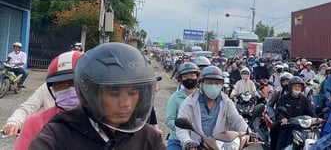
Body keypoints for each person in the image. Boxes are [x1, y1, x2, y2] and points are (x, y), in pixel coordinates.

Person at [29, 42, 164, 149]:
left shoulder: (148, 138)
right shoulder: (58, 135)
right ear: (92, 94)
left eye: (133, 92)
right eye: (114, 93)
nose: (126, 103)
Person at [15, 51, 83, 150]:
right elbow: (28, 106)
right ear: (52, 89)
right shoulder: (37, 123)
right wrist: (14, 122)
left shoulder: (107, 121)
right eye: (61, 85)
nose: (70, 90)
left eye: (75, 84)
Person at [176, 65, 248, 150]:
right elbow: (181, 129)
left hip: (220, 146)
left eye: (217, 83)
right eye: (209, 82)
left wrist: (249, 131)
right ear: (200, 84)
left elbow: (237, 120)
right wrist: (187, 141)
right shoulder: (189, 103)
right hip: (196, 147)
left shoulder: (226, 102)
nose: (214, 86)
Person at [271, 76, 318, 149]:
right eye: (295, 86)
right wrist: (283, 118)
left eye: (299, 87)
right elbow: (279, 111)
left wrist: (316, 120)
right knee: (274, 129)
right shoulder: (283, 98)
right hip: (286, 125)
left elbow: (310, 111)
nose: (297, 88)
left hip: (300, 125)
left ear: (302, 88)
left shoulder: (304, 99)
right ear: (290, 88)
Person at [165, 62, 200, 150]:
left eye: (192, 75)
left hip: (199, 140)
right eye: (185, 77)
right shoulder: (175, 97)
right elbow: (169, 120)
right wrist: (185, 128)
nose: (189, 79)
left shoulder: (203, 96)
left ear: (197, 77)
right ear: (181, 79)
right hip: (177, 141)